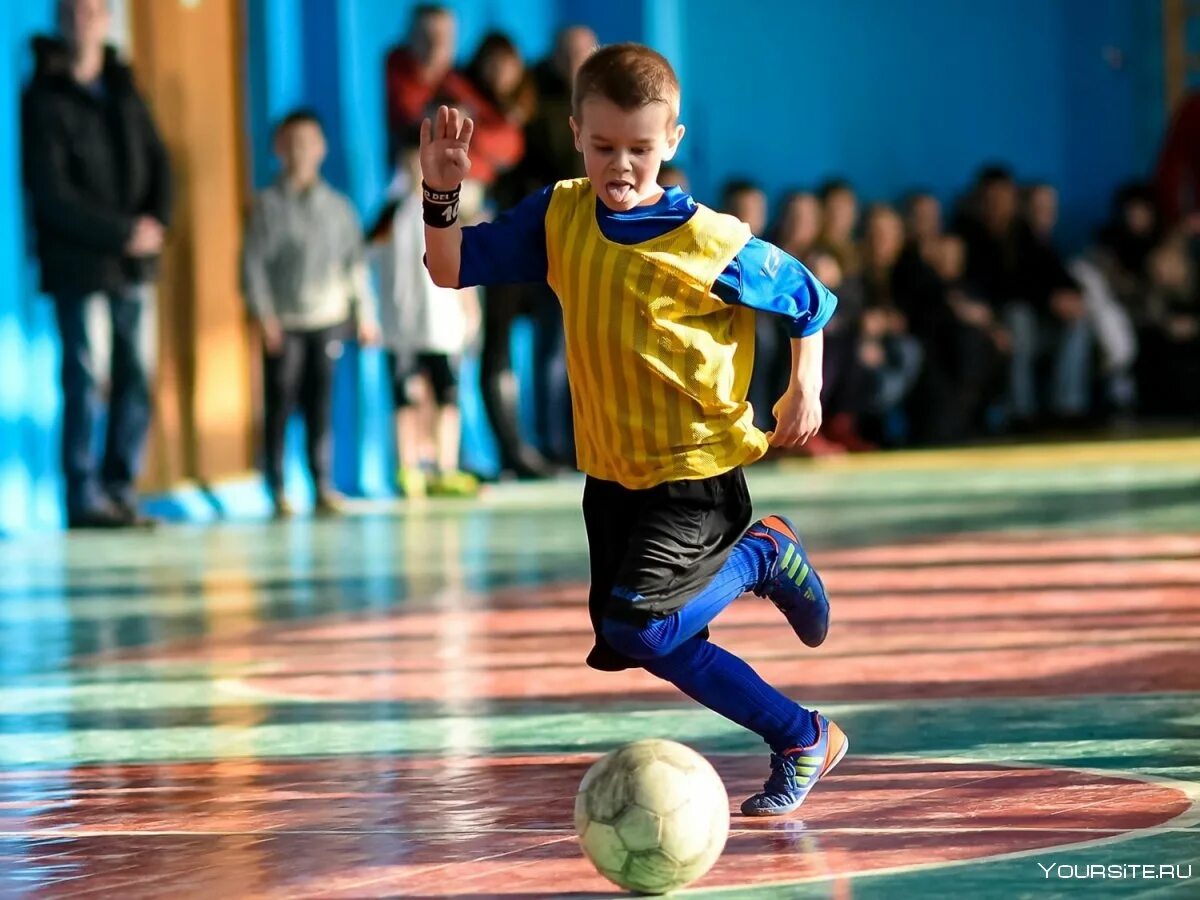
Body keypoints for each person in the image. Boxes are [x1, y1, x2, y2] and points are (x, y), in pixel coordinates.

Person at [420, 43, 845, 816]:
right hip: (613, 476)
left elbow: (809, 299)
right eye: (605, 146)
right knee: (651, 642)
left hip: (696, 473)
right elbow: (449, 268)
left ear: (672, 144)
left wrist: (802, 387)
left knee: (642, 625)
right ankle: (802, 736)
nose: (622, 165)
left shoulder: (708, 241)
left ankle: (761, 555)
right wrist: (440, 193)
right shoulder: (559, 215)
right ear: (577, 131)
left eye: (641, 150)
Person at [22, 0, 171, 529]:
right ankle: (83, 497)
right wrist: (120, 232)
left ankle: (120, 487)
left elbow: (159, 158)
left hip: (134, 266)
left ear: (107, 19)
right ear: (61, 22)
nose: (83, 22)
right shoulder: (42, 96)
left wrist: (156, 223)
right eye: (73, 13)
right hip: (79, 263)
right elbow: (49, 190)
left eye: (93, 12)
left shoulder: (123, 87)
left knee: (136, 374)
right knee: (86, 376)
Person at [241, 110, 379, 519]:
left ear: (322, 149)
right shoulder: (265, 207)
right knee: (280, 404)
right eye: (292, 143)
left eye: (309, 143)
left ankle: (322, 484)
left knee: (322, 405)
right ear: (279, 150)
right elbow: (253, 266)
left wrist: (365, 315)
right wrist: (264, 316)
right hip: (284, 323)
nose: (301, 151)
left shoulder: (339, 208)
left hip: (328, 319)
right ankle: (278, 485)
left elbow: (355, 266)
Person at [371, 149, 481, 498]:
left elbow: (467, 259)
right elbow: (364, 260)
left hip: (444, 326)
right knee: (406, 396)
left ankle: (445, 466)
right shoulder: (391, 214)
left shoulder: (453, 209)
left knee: (447, 395)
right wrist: (372, 313)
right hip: (402, 327)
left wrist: (470, 308)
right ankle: (409, 466)